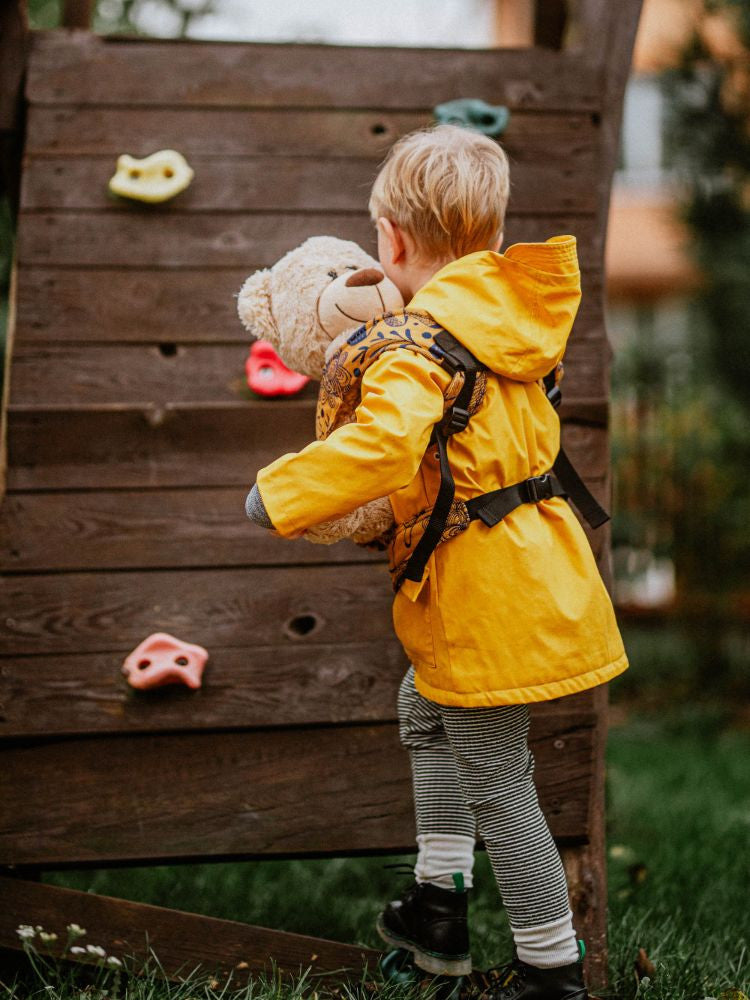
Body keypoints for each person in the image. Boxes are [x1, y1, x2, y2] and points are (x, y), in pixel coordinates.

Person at [245, 124, 628, 1000]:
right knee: (425, 706)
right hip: (544, 569)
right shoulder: (511, 322)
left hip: (484, 590)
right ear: (491, 238)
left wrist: (282, 490)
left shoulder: (417, 348)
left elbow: (380, 451)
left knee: (501, 783)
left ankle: (549, 972)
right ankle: (439, 903)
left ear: (392, 242)